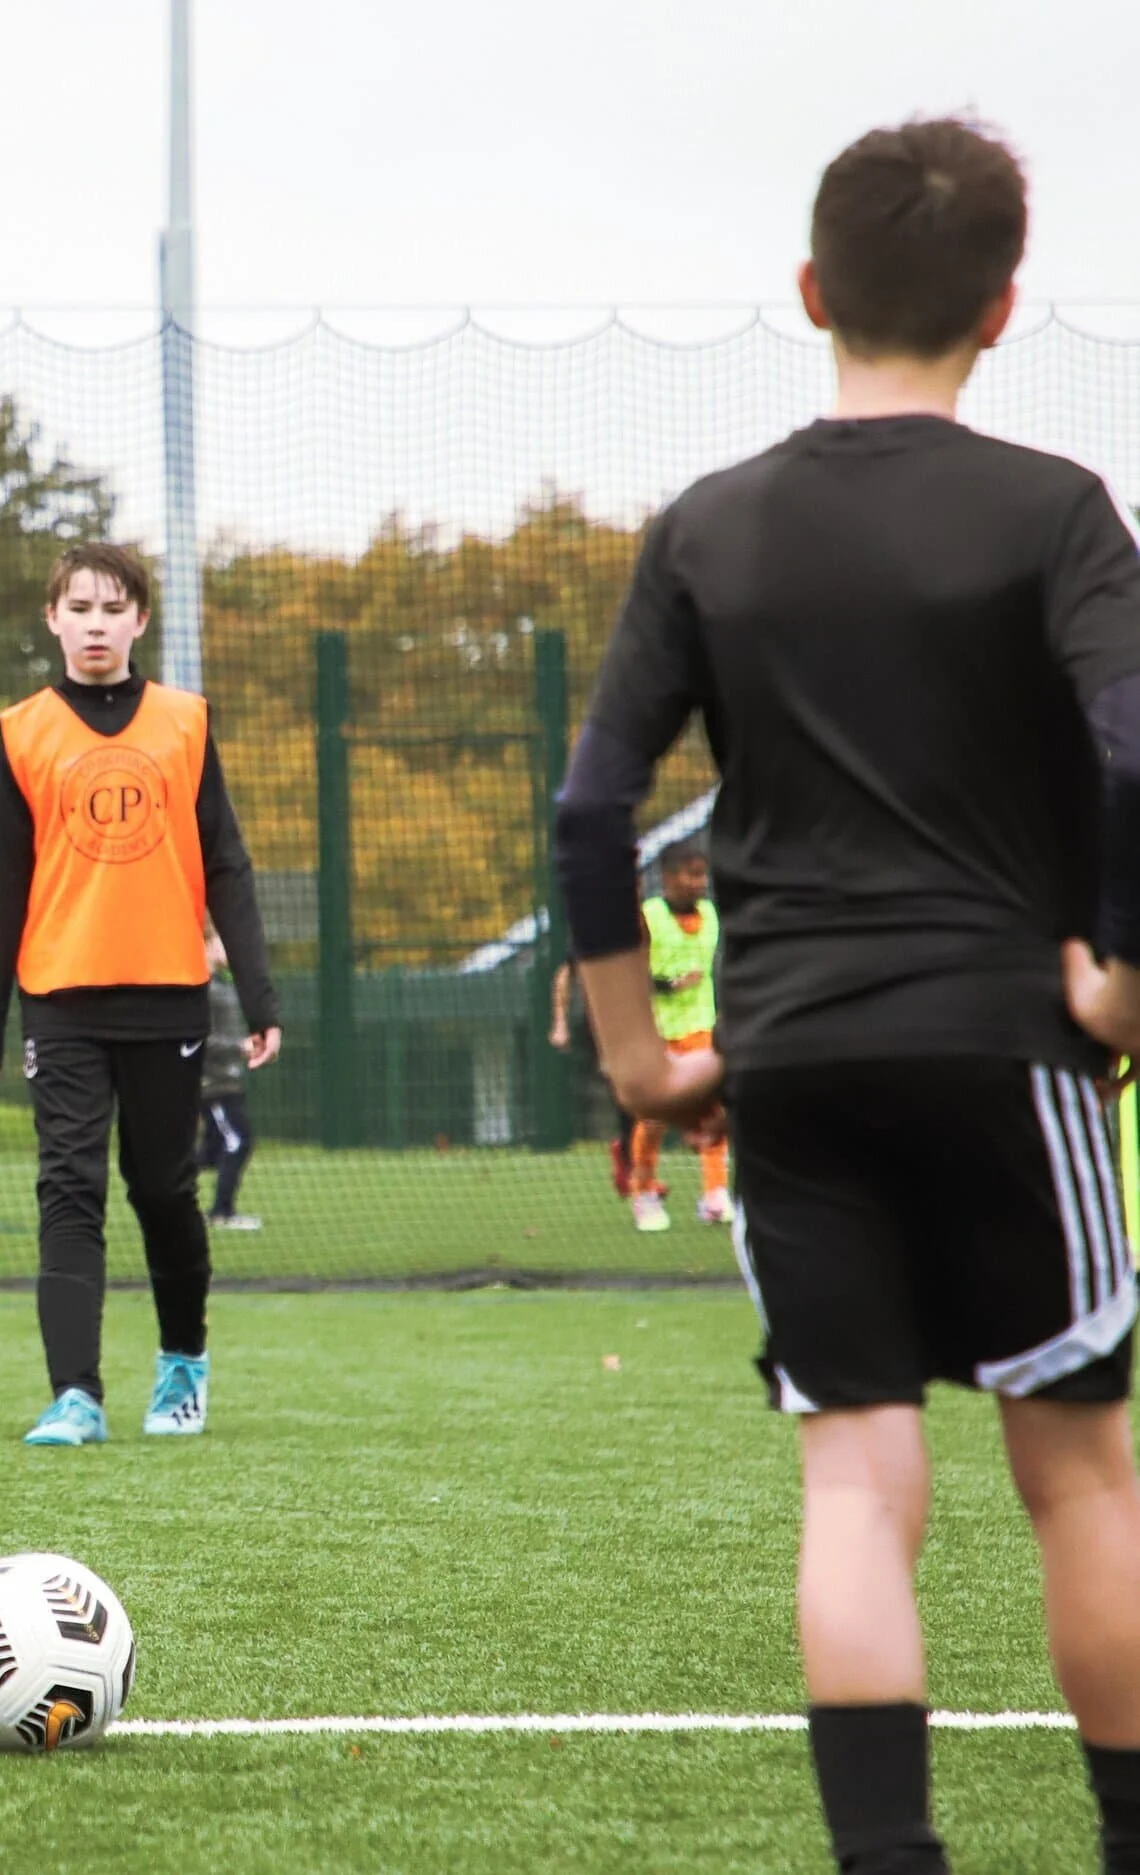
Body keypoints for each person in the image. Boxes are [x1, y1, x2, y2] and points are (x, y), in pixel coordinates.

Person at [556, 118, 1140, 1875]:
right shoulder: (1058, 513)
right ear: (1006, 307)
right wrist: (1118, 976)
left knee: (857, 1488)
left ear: (812, 291)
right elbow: (1133, 753)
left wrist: (642, 1056)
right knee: (1084, 1482)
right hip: (1006, 1052)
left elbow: (594, 806)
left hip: (792, 1064)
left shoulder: (710, 527)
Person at [0, 542, 281, 1447]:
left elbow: (226, 860)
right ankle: (76, 1395)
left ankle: (183, 1366)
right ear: (52, 618)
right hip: (60, 999)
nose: (97, 623)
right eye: (80, 607)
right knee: (68, 1188)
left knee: (164, 1191)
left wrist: (261, 998)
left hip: (169, 997)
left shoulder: (184, 721)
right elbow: (0, 887)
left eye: (114, 608)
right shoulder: (23, 730)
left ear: (141, 620)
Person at [628, 842, 730, 1233]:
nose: (698, 883)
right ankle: (644, 1192)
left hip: (700, 1025)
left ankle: (715, 1194)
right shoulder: (649, 917)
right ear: (668, 878)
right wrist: (668, 985)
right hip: (656, 1030)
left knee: (711, 1108)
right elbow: (631, 973)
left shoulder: (710, 915)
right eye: (690, 875)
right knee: (653, 1118)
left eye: (702, 874)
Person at [550, 952, 640, 1202]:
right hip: (605, 1025)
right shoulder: (598, 925)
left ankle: (633, 1163)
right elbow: (566, 972)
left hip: (648, 1016)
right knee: (626, 1089)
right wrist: (560, 1022)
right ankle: (630, 1162)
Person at [196, 925, 259, 1231]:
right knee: (237, 1142)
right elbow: (200, 1039)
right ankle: (221, 1213)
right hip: (212, 1085)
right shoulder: (201, 989)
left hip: (228, 1081)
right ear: (206, 945)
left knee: (211, 1152)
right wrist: (239, 1046)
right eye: (222, 940)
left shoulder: (222, 984)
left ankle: (160, 1180)